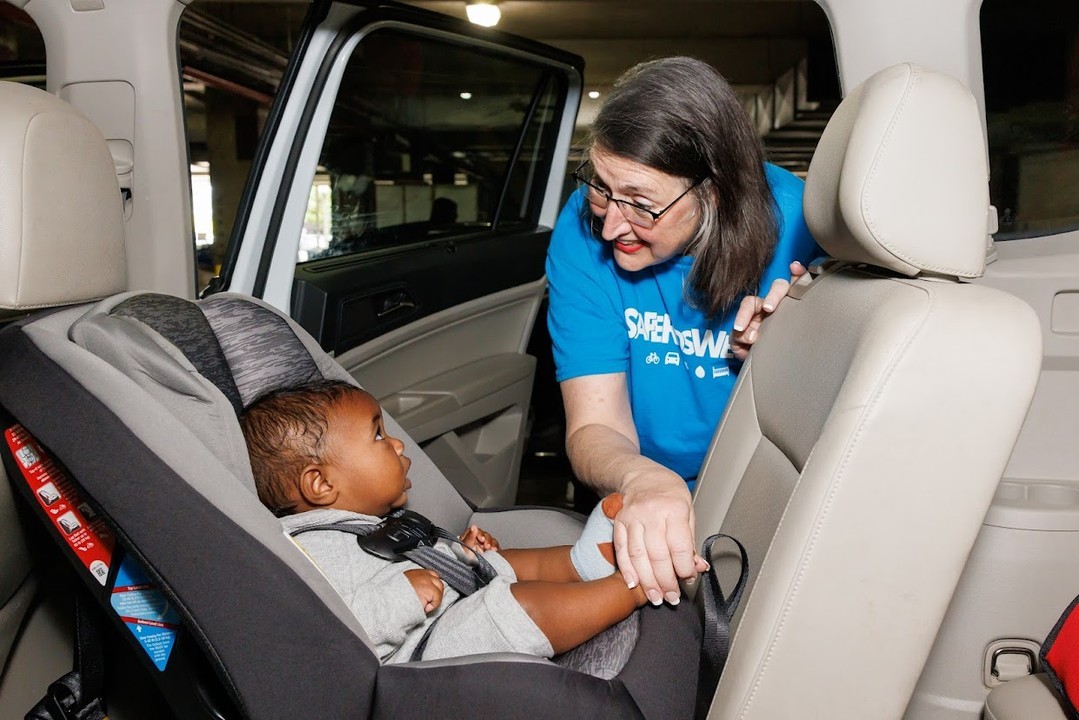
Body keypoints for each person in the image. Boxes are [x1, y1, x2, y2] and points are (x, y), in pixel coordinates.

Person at [546, 56, 821, 607]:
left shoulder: (798, 225)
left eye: (642, 205)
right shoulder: (582, 231)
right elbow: (595, 425)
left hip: (754, 491)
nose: (610, 223)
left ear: (714, 193)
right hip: (639, 483)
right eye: (601, 187)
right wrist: (644, 480)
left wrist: (786, 354)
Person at [239, 379, 669, 664]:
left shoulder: (369, 520)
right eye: (377, 436)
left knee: (512, 562)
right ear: (320, 485)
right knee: (518, 607)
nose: (397, 443)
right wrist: (401, 598)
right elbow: (332, 629)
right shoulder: (309, 549)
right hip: (429, 648)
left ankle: (584, 564)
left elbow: (405, 558)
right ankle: (629, 589)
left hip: (451, 597)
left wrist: (456, 552)